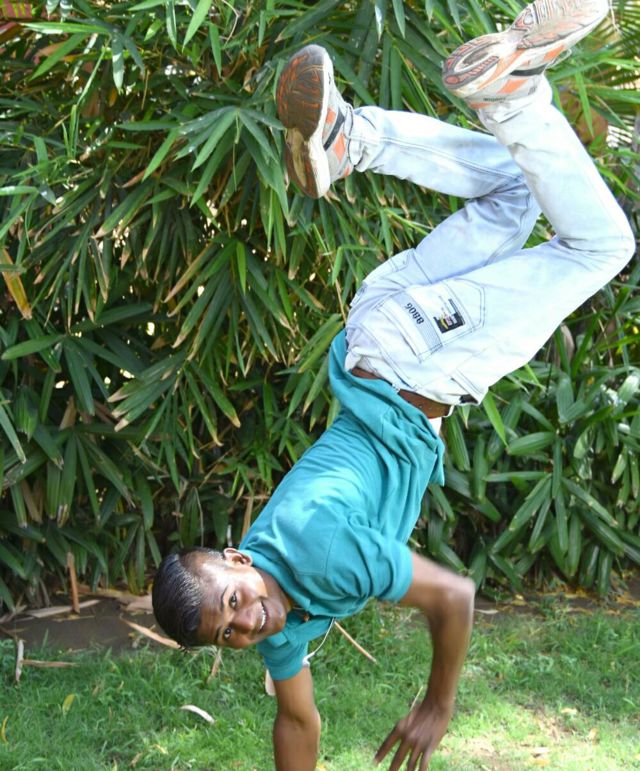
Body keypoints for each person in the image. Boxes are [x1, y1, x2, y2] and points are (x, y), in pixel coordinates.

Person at [152, 2, 634, 769]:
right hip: (379, 329)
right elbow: (297, 720)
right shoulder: (281, 614)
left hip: (423, 362)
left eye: (233, 603)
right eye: (228, 632)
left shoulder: (321, 554)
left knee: (600, 245)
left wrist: (436, 705)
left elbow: (453, 595)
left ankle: (510, 99)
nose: (245, 623)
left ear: (236, 559)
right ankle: (354, 136)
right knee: (517, 187)